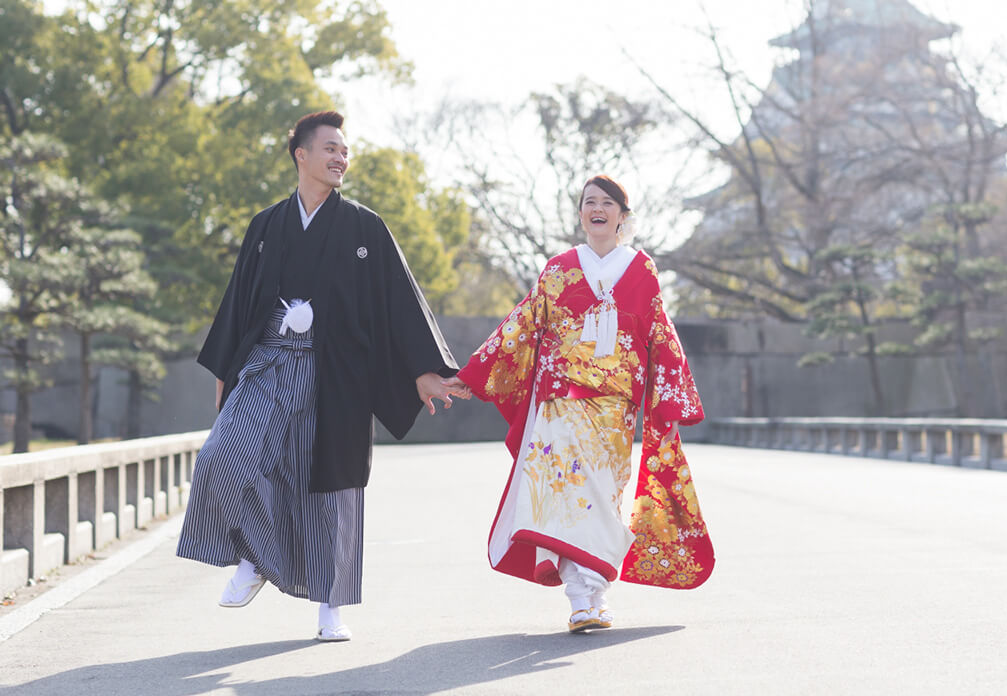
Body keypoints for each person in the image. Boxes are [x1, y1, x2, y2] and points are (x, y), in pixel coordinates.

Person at [177, 110, 464, 642]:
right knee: (222, 458)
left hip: (336, 375)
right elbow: (238, 306)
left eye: (345, 151)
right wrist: (226, 385)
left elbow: (397, 303)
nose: (340, 158)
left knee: (331, 493)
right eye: (330, 148)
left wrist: (425, 370)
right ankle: (258, 558)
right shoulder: (265, 225)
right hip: (268, 364)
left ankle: (330, 607)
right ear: (300, 155)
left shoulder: (364, 226)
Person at [447, 175, 715, 633]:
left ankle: (593, 594)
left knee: (601, 497)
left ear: (622, 216)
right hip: (560, 402)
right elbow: (524, 323)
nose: (597, 208)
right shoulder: (559, 268)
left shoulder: (641, 269)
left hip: (614, 407)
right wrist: (475, 372)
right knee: (565, 494)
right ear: (580, 214)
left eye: (607, 203)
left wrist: (671, 402)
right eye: (589, 202)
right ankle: (581, 599)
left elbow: (659, 335)